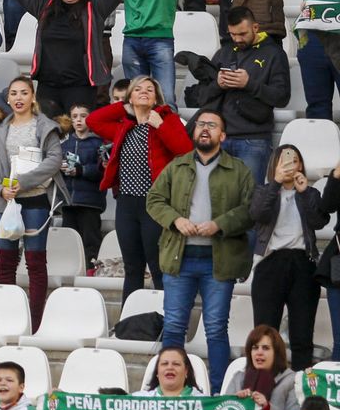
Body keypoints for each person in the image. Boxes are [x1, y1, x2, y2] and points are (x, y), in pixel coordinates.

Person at [147, 108, 254, 393]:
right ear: (194, 132)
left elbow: (250, 211)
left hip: (219, 261)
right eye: (200, 124)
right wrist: (176, 220)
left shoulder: (239, 170)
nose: (204, 128)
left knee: (216, 329)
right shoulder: (177, 166)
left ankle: (217, 393)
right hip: (179, 258)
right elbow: (154, 200)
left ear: (223, 135)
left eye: (212, 125)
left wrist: (220, 224)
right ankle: (169, 392)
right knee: (173, 327)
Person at [89, 77, 192, 300]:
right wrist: (123, 106)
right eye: (138, 89)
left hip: (155, 205)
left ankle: (165, 322)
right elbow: (93, 121)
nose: (144, 92)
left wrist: (160, 126)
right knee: (132, 268)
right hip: (126, 203)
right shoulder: (123, 125)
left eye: (149, 89)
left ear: (157, 97)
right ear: (130, 97)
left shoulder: (167, 120)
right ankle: (130, 322)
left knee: (157, 266)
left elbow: (185, 151)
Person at [0, 0, 139, 118]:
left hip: (81, 89)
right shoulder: (44, 6)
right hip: (47, 88)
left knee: (78, 139)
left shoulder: (95, 9)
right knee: (47, 136)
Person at [0, 77, 66, 330]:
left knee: (35, 262)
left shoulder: (45, 126)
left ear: (33, 97)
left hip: (35, 201)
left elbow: (54, 159)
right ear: (8, 98)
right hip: (6, 202)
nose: (18, 98)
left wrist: (24, 181)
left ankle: (35, 322)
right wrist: (0, 188)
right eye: (14, 93)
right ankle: (9, 319)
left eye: (24, 93)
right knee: (5, 263)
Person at [189, 8, 292, 182]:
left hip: (253, 140)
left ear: (256, 27)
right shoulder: (224, 52)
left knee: (250, 199)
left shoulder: (274, 54)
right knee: (216, 198)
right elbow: (202, 97)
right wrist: (218, 84)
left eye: (242, 34)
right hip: (219, 138)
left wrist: (249, 84)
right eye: (233, 34)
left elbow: (282, 97)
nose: (237, 39)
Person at [249, 146, 325, 372]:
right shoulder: (264, 190)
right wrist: (275, 183)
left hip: (303, 262)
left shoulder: (311, 194)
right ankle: (265, 384)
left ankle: (303, 388)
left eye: (295, 160)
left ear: (301, 165)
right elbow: (257, 214)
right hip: (271, 262)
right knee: (264, 334)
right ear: (275, 165)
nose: (291, 164)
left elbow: (318, 222)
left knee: (302, 333)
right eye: (284, 160)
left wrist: (303, 193)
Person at [61, 103, 109, 272]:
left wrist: (81, 170)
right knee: (69, 241)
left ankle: (91, 272)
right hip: (68, 202)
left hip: (90, 202)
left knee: (91, 242)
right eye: (75, 117)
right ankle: (70, 272)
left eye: (83, 116)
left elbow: (103, 170)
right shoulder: (64, 143)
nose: (79, 120)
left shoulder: (99, 142)